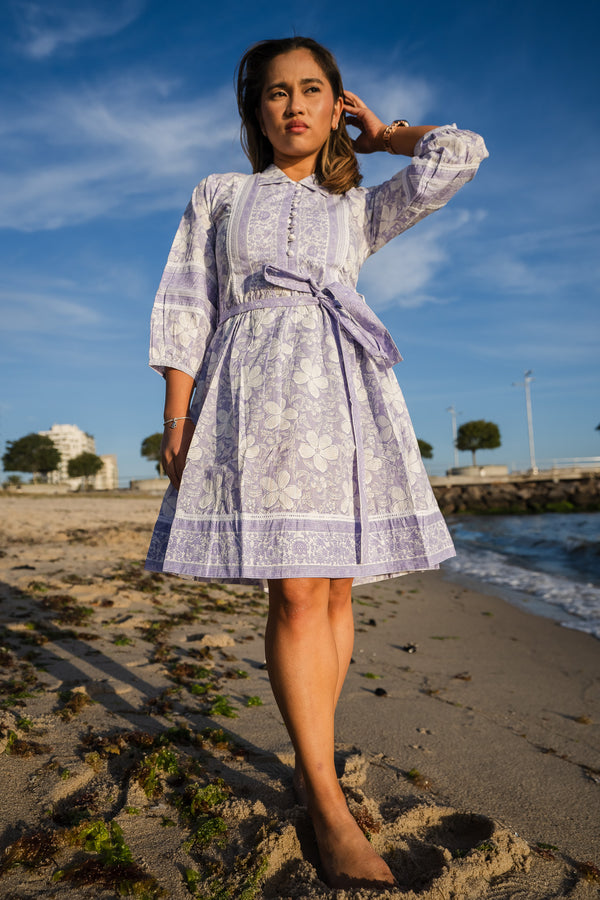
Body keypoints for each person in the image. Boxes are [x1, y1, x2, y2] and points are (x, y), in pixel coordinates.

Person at [145, 36, 488, 889]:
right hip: (252, 389)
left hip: (344, 390)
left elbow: (460, 154)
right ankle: (328, 803)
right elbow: (187, 299)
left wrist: (382, 135)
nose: (292, 105)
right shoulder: (221, 195)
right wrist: (177, 413)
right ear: (254, 111)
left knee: (332, 587)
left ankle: (315, 764)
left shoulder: (359, 204)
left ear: (335, 103)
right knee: (296, 588)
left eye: (311, 91)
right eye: (274, 93)